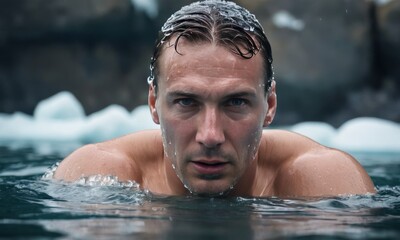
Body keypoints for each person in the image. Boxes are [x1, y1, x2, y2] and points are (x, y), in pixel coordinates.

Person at [54, 0, 375, 198]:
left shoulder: (326, 181)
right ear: (153, 103)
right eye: (186, 102)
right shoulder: (97, 175)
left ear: (270, 105)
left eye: (235, 103)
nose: (210, 135)